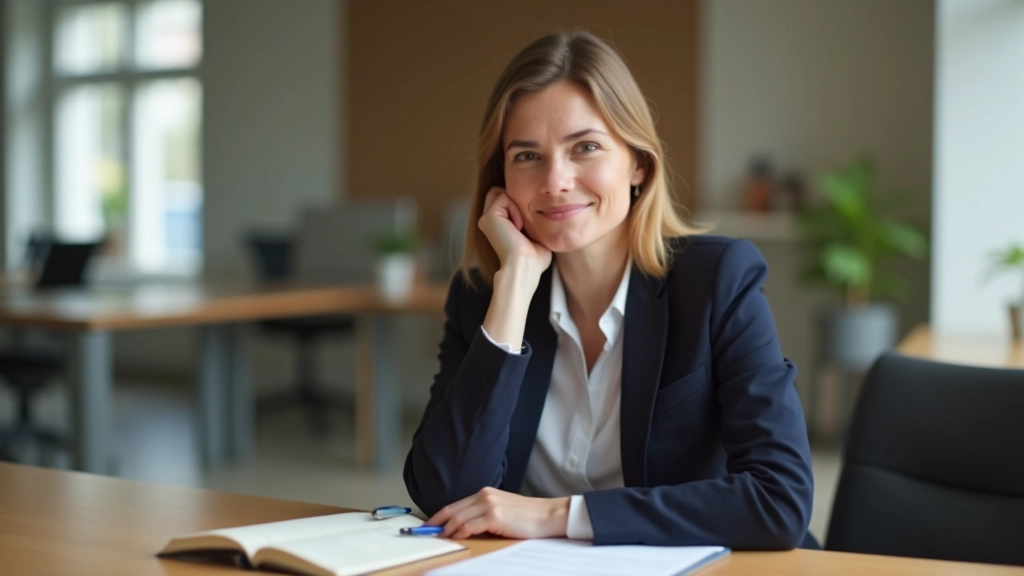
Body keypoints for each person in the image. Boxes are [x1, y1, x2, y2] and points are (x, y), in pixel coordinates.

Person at [403, 31, 814, 548]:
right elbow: (445, 493)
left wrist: (557, 515)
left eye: (586, 148)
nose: (555, 181)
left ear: (638, 163)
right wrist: (512, 292)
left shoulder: (717, 281)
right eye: (527, 156)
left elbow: (779, 501)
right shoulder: (482, 297)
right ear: (501, 181)